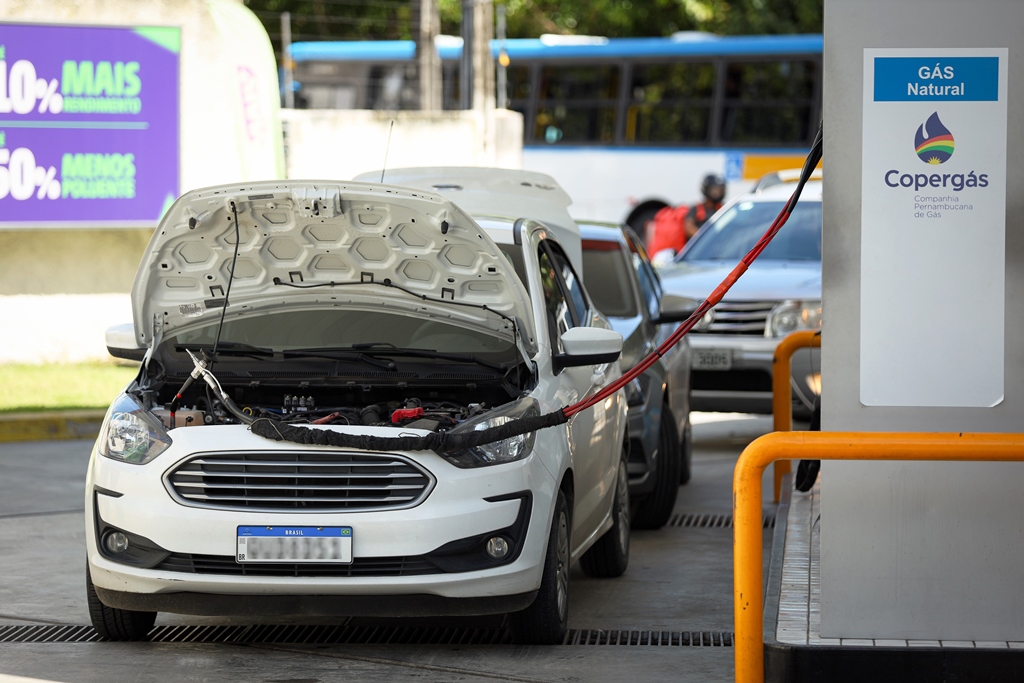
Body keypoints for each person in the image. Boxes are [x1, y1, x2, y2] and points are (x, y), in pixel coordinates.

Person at [646, 173, 726, 264]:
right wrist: (706, 238)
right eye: (714, 190)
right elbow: (688, 227)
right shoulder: (696, 209)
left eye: (720, 190)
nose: (718, 193)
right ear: (706, 189)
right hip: (699, 256)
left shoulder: (723, 209)